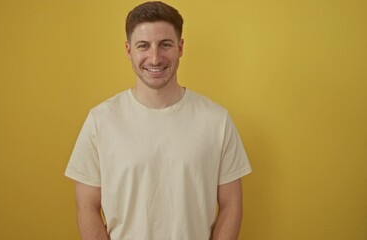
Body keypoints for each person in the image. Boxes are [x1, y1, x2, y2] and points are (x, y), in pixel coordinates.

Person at [65, 1, 252, 239]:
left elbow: (231, 205)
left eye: (165, 44)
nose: (155, 58)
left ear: (180, 47)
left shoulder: (217, 121)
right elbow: (87, 206)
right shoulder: (100, 120)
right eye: (143, 45)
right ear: (128, 49)